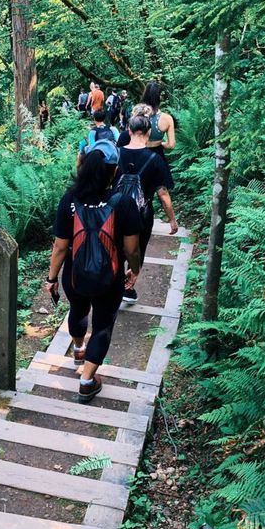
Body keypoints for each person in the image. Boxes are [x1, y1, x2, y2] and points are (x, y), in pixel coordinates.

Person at [43, 140, 143, 403]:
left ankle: (78, 349)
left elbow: (60, 247)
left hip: (74, 275)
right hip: (109, 278)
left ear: (83, 164)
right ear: (114, 171)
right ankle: (87, 381)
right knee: (102, 325)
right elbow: (132, 248)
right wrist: (134, 270)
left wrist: (51, 278)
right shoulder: (123, 202)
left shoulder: (70, 200)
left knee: (77, 310)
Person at [116, 105, 179, 304]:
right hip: (142, 213)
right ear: (149, 132)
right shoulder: (155, 159)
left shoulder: (115, 154)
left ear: (129, 131)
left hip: (115, 209)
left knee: (116, 247)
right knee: (137, 249)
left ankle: (115, 284)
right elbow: (163, 193)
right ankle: (129, 287)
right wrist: (172, 219)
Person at [139, 81, 177, 169]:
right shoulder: (167, 118)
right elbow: (171, 145)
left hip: (140, 154)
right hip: (158, 155)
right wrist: (160, 143)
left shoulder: (137, 116)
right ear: (159, 97)